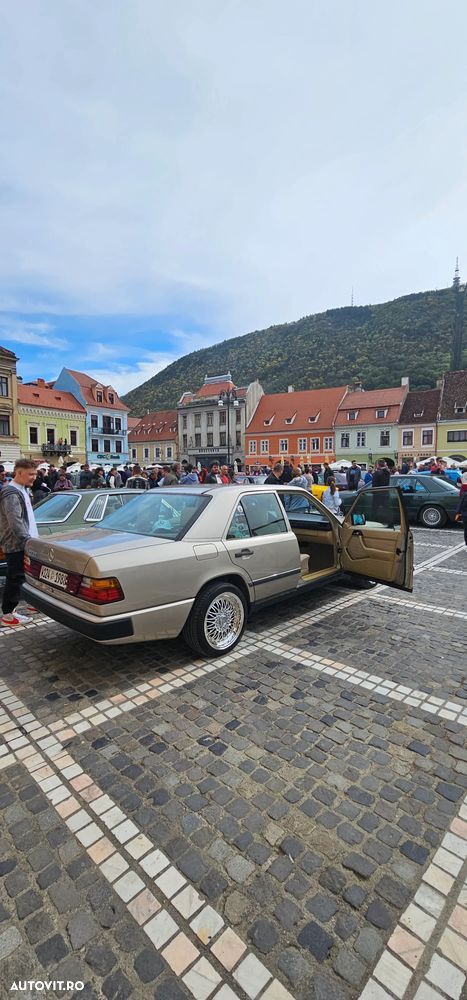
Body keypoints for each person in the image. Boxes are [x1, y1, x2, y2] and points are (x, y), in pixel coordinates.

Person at [0, 459, 38, 627]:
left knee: (24, 576)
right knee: (15, 577)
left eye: (35, 474)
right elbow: (15, 521)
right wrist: (27, 541)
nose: (34, 477)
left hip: (24, 542)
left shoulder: (22, 489)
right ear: (19, 473)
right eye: (31, 474)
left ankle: (31, 603)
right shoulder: (11, 493)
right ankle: (8, 614)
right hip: (16, 544)